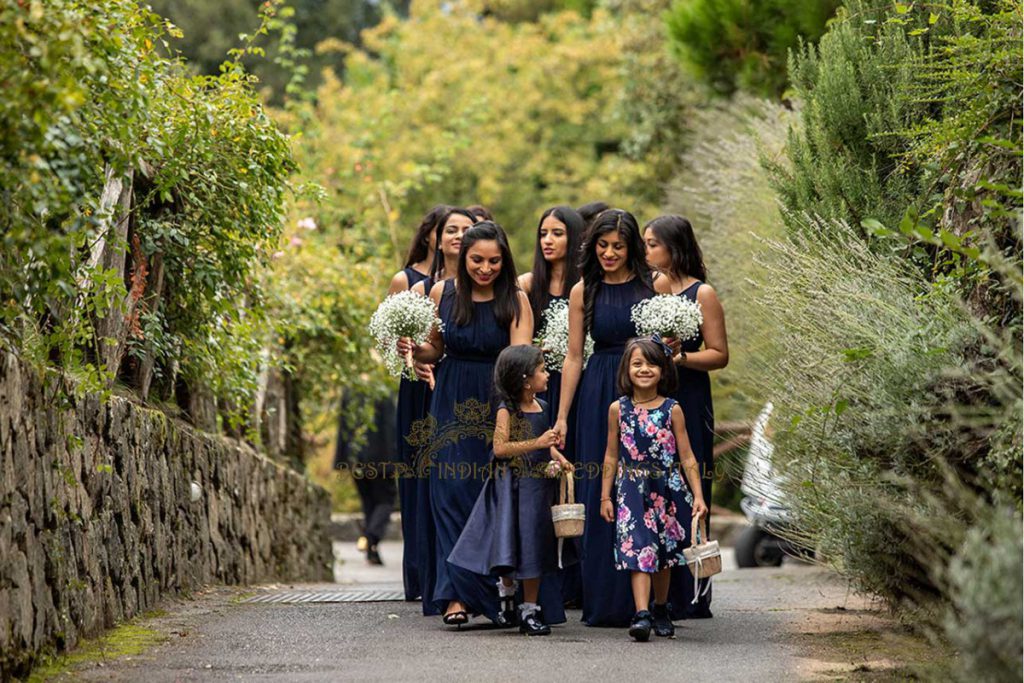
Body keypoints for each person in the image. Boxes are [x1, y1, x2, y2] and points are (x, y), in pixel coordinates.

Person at [401, 221, 533, 626]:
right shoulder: (442, 293)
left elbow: (521, 361)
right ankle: (454, 595)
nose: (485, 268)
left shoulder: (516, 300)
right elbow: (433, 350)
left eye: (494, 261)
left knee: (489, 496)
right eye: (477, 260)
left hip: (498, 400)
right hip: (450, 398)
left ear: (505, 260)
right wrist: (409, 345)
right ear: (462, 257)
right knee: (449, 493)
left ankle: (497, 593)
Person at [553, 208, 656, 626]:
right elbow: (574, 355)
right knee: (603, 488)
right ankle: (604, 600)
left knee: (646, 490)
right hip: (598, 390)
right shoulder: (583, 290)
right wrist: (561, 416)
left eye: (618, 246)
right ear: (592, 246)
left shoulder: (654, 284)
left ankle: (648, 603)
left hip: (643, 391)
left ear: (631, 247)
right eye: (602, 246)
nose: (609, 253)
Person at [448, 345, 574, 635]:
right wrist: (539, 444)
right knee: (510, 540)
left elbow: (548, 446)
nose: (547, 375)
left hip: (538, 487)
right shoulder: (508, 410)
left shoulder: (542, 407)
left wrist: (559, 458)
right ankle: (506, 598)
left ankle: (530, 609)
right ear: (525, 378)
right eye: (542, 370)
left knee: (534, 544)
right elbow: (500, 448)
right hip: (512, 487)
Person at [643, 215, 729, 618]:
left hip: (691, 396)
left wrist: (681, 357)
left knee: (691, 485)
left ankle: (694, 592)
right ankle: (659, 591)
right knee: (658, 490)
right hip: (655, 398)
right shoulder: (654, 289)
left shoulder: (703, 293)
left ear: (673, 247)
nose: (646, 252)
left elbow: (720, 354)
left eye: (652, 244)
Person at [599, 337, 708, 641]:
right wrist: (605, 495)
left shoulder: (672, 409)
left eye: (651, 364)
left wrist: (698, 495)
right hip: (631, 488)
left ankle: (661, 607)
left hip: (668, 488)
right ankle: (642, 613)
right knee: (639, 548)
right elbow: (610, 453)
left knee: (663, 552)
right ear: (626, 369)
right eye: (637, 363)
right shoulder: (617, 409)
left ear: (663, 370)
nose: (644, 369)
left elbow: (686, 455)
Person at [518, 205, 586, 608]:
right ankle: (544, 583)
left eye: (557, 233)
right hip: (539, 388)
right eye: (543, 232)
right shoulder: (527, 284)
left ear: (573, 238)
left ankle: (580, 580)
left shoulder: (585, 286)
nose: (548, 240)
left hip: (578, 385)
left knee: (578, 476)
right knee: (542, 478)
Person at [387, 205, 449, 601]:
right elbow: (393, 346)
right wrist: (414, 363)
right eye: (447, 230)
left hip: (450, 382)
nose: (456, 238)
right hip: (415, 387)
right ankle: (418, 573)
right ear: (430, 235)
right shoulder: (405, 280)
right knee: (415, 476)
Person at [334, 390, 400, 566]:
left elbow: (344, 428)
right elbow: (390, 427)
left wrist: (343, 459)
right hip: (381, 459)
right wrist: (395, 460)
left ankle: (372, 552)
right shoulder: (382, 392)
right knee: (386, 501)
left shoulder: (350, 393)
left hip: (356, 459)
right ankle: (370, 537)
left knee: (369, 504)